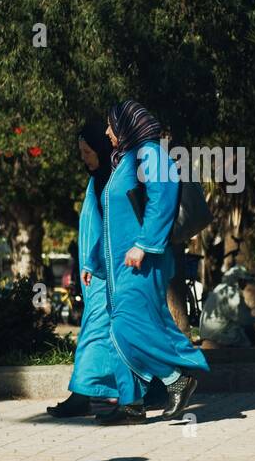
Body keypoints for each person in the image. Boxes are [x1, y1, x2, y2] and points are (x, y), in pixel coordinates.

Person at [88, 101, 209, 424]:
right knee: (117, 327)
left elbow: (164, 194)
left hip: (142, 262)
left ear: (127, 125)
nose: (106, 132)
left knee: (127, 325)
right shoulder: (124, 161)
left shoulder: (150, 153)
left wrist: (144, 244)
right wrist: (94, 263)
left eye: (111, 125)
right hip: (118, 267)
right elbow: (111, 219)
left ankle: (175, 378)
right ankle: (130, 404)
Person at [48, 120, 122, 418]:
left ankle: (82, 393)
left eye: (87, 150)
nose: (84, 157)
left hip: (105, 274)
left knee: (94, 333)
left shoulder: (109, 181)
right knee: (110, 333)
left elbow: (108, 229)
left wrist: (92, 262)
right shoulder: (99, 179)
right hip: (99, 274)